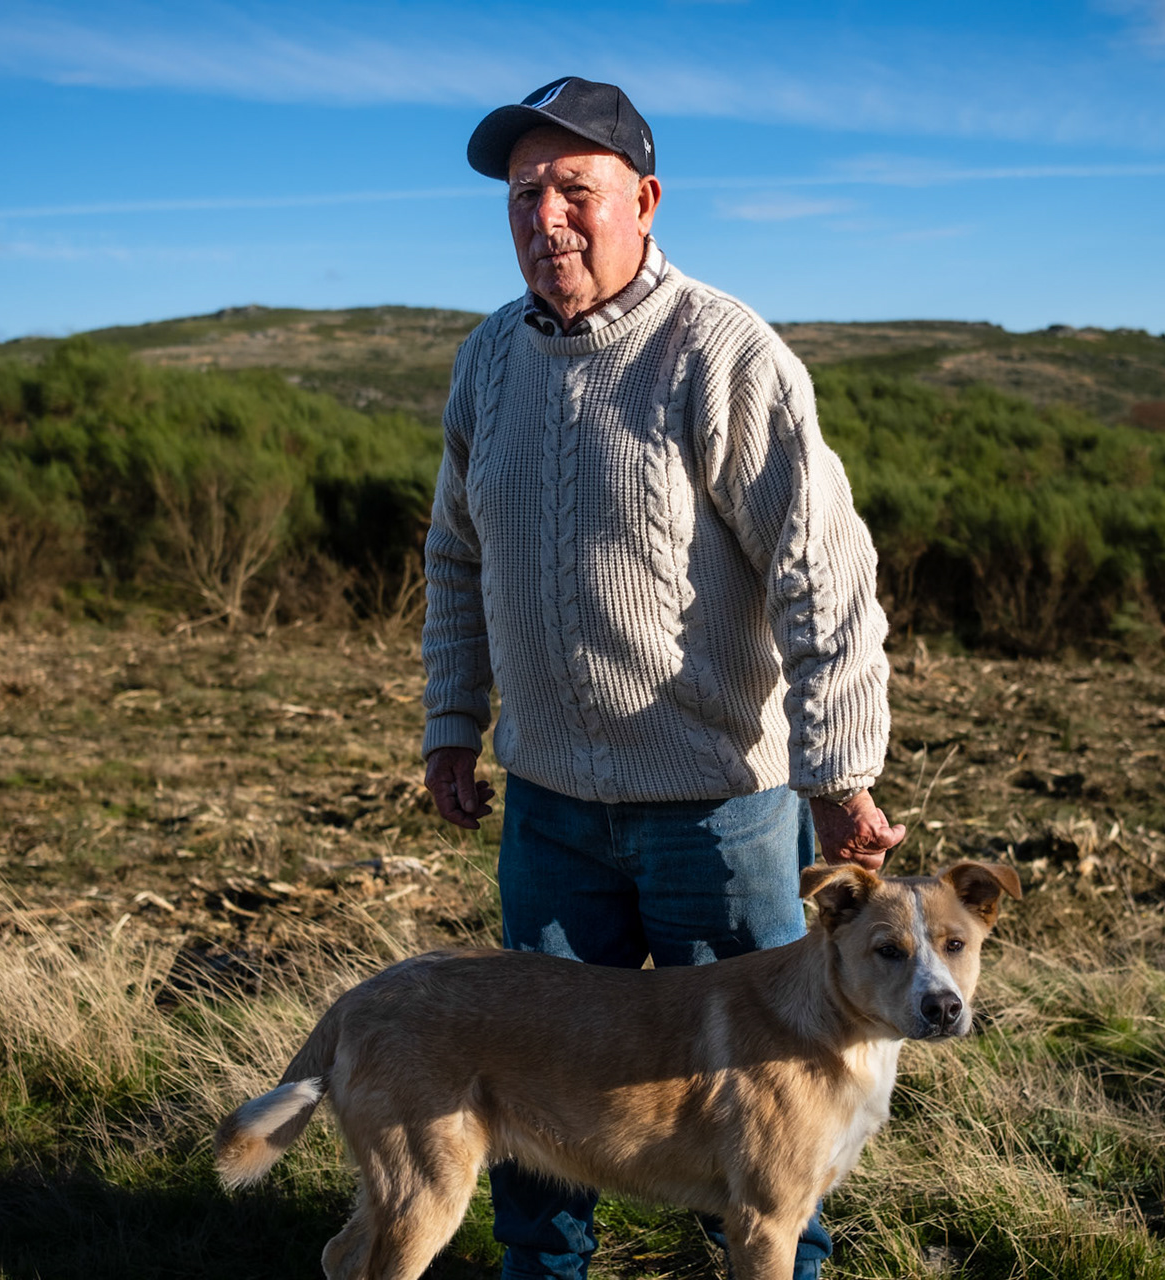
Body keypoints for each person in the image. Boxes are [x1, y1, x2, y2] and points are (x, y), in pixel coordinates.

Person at [419, 76, 906, 1280]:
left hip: (718, 815)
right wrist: (452, 719)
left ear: (644, 199)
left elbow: (820, 568)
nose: (546, 218)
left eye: (573, 190)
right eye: (524, 196)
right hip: (549, 809)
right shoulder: (488, 360)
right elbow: (455, 555)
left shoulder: (722, 350)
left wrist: (840, 774)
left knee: (765, 1104)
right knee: (535, 1094)